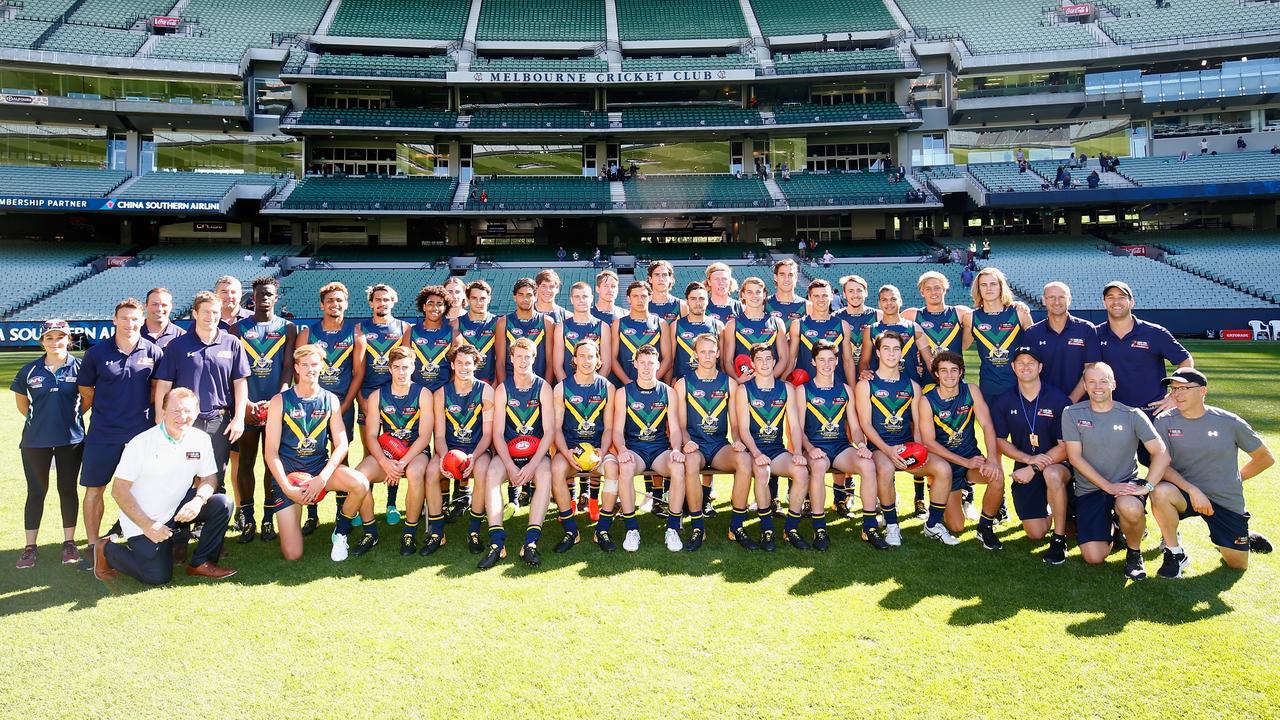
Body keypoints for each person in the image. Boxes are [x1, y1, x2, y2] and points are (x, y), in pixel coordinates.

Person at [91, 388, 235, 584]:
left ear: (197, 411)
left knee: (222, 503)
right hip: (144, 519)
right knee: (158, 577)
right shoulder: (142, 443)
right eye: (176, 411)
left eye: (188, 411)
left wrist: (198, 501)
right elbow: (119, 490)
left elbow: (209, 479)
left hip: (176, 507)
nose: (182, 417)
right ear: (164, 410)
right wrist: (147, 525)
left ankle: (201, 563)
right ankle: (107, 550)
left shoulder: (200, 439)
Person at [1150, 368, 1274, 577]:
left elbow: (1265, 458)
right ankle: (1175, 553)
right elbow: (1162, 465)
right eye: (1174, 389)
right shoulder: (1164, 421)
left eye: (1184, 389)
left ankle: (1240, 537)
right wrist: (1192, 490)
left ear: (1203, 391)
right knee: (1160, 491)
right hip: (1185, 494)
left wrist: (1235, 479)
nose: (1177, 394)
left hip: (1224, 499)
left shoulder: (1229, 422)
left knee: (1237, 564)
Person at [263, 344, 372, 561]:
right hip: (290, 475)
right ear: (296, 368)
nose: (310, 369)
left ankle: (340, 533)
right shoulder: (279, 401)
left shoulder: (330, 399)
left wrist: (321, 478)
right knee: (292, 554)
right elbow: (270, 452)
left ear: (322, 366)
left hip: (319, 470)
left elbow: (342, 444)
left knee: (360, 483)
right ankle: (293, 509)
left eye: (314, 364)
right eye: (305, 365)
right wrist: (288, 488)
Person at [1062, 363, 1170, 579]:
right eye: (1091, 381)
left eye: (1103, 381)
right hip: (1089, 490)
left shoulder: (1132, 415)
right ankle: (1116, 526)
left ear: (1113, 384)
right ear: (1084, 385)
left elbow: (1162, 454)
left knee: (1129, 507)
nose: (1097, 386)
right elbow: (1074, 457)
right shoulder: (1071, 413)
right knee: (1093, 557)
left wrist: (1146, 486)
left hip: (1124, 487)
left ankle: (1134, 553)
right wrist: (1107, 486)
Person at [77, 299, 163, 563]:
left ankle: (142, 538)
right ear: (114, 320)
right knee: (95, 489)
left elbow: (156, 390)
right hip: (103, 433)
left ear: (142, 320)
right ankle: (94, 547)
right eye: (124, 318)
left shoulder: (154, 351)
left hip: (140, 434)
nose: (130, 324)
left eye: (135, 319)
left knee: (144, 490)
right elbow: (86, 391)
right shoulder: (96, 353)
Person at [855, 330, 951, 550]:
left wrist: (921, 452)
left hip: (907, 449)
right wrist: (888, 451)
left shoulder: (913, 386)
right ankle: (892, 525)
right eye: (886, 349)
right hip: (880, 449)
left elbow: (917, 426)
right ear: (878, 352)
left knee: (943, 469)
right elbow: (866, 425)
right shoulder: (866, 385)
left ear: (902, 353)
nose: (891, 353)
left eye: (896, 349)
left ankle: (934, 524)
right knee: (886, 470)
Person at [153, 291, 248, 494]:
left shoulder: (232, 343)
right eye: (205, 312)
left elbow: (240, 383)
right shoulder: (177, 345)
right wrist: (160, 417)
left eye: (215, 312)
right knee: (182, 477)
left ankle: (211, 524)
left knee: (215, 476)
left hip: (218, 421)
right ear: (195, 314)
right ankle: (182, 524)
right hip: (184, 421)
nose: (210, 316)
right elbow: (163, 384)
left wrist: (239, 418)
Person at [229, 277, 296, 544]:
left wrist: (278, 397)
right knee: (245, 462)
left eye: (269, 294)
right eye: (260, 294)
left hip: (275, 407)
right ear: (252, 298)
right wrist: (246, 404)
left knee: (271, 463)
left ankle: (268, 519)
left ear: (276, 297)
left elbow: (288, 367)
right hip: (246, 407)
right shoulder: (237, 329)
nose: (265, 298)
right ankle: (248, 520)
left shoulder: (287, 328)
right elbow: (235, 372)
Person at [12, 320, 84, 569]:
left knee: (67, 489)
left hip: (71, 440)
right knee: (36, 492)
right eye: (50, 338)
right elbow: (23, 405)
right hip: (35, 442)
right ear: (42, 341)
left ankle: (69, 543)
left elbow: (87, 400)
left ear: (69, 339)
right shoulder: (29, 371)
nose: (56, 342)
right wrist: (42, 423)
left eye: (60, 337)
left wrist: (69, 420)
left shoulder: (81, 368)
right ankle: (30, 547)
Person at [990, 347, 1073, 563]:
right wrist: (1028, 460)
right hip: (1025, 466)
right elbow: (1000, 441)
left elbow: (1065, 447)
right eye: (1021, 362)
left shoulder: (1058, 399)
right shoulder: (1004, 400)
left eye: (1031, 362)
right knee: (1035, 533)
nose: (1026, 366)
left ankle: (1059, 538)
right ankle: (1057, 506)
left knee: (1052, 475)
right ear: (1013, 367)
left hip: (1058, 465)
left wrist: (1034, 467)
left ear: (1040, 367)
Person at [914, 352, 1005, 550]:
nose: (949, 375)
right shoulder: (927, 400)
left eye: (954, 370)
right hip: (946, 466)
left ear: (961, 372)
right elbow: (929, 442)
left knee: (996, 477)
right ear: (936, 374)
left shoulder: (971, 390)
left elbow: (988, 425)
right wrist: (965, 463)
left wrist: (991, 459)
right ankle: (948, 494)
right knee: (956, 526)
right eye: (943, 371)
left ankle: (985, 527)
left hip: (971, 458)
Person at [296, 281, 367, 530]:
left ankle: (341, 512)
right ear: (322, 305)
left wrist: (345, 405)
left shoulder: (357, 335)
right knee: (308, 459)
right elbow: (300, 372)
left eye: (339, 300)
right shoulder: (307, 334)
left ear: (346, 304)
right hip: (310, 407)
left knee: (341, 458)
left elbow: (358, 373)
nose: (334, 304)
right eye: (330, 301)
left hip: (342, 407)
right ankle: (311, 514)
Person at [480, 337, 554, 568]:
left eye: (527, 356)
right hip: (508, 453)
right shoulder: (502, 390)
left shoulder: (543, 387)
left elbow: (550, 431)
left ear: (534, 358)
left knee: (544, 475)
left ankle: (530, 543)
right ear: (511, 359)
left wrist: (531, 465)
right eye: (518, 356)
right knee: (492, 474)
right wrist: (511, 466)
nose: (523, 361)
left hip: (536, 454)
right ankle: (497, 543)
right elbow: (498, 434)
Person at [353, 346, 433, 557]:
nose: (401, 372)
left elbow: (425, 436)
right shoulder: (377, 396)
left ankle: (409, 532)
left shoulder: (423, 394)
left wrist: (402, 463)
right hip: (387, 454)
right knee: (359, 476)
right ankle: (370, 532)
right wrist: (385, 462)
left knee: (416, 474)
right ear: (389, 369)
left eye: (405, 367)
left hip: (415, 454)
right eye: (396, 367)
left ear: (413, 367)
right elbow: (370, 435)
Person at [798, 340, 876, 549]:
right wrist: (810, 448)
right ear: (813, 362)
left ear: (836, 361)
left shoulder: (845, 390)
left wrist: (860, 444)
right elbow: (798, 430)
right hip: (815, 446)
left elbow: (856, 427)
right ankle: (820, 528)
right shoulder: (803, 390)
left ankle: (869, 527)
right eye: (821, 360)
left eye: (831, 359)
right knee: (818, 466)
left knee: (868, 465)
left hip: (841, 447)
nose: (826, 364)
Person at [674, 333, 750, 551]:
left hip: (718, 446)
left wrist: (737, 441)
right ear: (695, 354)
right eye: (702, 351)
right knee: (689, 463)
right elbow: (680, 425)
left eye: (711, 351)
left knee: (744, 461)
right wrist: (686, 442)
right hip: (695, 445)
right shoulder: (683, 383)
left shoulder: (729, 383)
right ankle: (698, 526)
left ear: (718, 353)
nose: (707, 356)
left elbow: (735, 425)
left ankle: (736, 526)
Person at [608, 344, 685, 552]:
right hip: (636, 450)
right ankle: (631, 529)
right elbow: (616, 430)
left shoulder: (668, 392)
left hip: (660, 450)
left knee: (678, 468)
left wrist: (676, 449)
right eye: (642, 363)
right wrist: (622, 449)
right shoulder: (623, 393)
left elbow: (675, 429)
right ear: (635, 364)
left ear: (658, 365)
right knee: (624, 468)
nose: (646, 367)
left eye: (650, 363)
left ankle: (672, 528)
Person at [546, 339, 618, 560]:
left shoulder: (607, 387)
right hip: (570, 450)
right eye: (582, 356)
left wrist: (602, 452)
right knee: (556, 471)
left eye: (591, 356)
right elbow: (556, 428)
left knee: (613, 472)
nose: (587, 361)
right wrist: (566, 452)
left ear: (598, 360)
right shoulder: (561, 388)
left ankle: (602, 530)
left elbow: (609, 428)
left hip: (598, 449)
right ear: (574, 360)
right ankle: (571, 530)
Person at [732, 344, 806, 552]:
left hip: (776, 449)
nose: (764, 363)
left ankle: (791, 529)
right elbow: (743, 429)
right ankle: (767, 529)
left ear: (774, 362)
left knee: (800, 471)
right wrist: (756, 454)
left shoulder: (786, 389)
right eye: (760, 359)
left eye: (768, 359)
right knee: (763, 472)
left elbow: (794, 426)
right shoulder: (744, 389)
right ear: (753, 364)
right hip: (752, 449)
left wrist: (798, 452)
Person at [426, 344, 494, 556]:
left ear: (475, 365)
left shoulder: (486, 391)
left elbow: (488, 434)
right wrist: (445, 457)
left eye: (469, 363)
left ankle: (473, 530)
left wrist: (474, 456)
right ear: (453, 365)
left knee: (482, 471)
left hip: (477, 450)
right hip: (449, 449)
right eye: (460, 363)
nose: (464, 367)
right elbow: (438, 435)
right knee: (430, 473)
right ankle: (437, 532)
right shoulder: (440, 394)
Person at [1095, 280, 1192, 417]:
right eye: (1111, 297)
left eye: (1122, 297)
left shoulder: (1155, 332)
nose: (1116, 302)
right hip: (1111, 413)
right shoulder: (1095, 334)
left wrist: (1174, 395)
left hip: (1151, 412)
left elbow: (1185, 360)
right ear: (1104, 302)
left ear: (1131, 302)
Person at [359, 283, 411, 524]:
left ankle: (391, 503)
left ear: (394, 301)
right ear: (371, 303)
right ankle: (364, 501)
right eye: (377, 299)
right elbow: (356, 371)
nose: (382, 303)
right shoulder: (360, 329)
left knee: (396, 450)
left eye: (386, 299)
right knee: (370, 452)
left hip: (396, 402)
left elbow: (408, 366)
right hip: (368, 400)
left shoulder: (404, 328)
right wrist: (363, 401)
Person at [1024, 281, 1100, 401]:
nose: (1057, 302)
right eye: (1051, 297)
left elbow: (1090, 369)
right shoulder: (1032, 333)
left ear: (1069, 299)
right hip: (1044, 405)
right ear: (1043, 300)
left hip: (1079, 405)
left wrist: (1071, 400)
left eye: (1061, 297)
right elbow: (1027, 371)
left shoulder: (1086, 329)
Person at [969, 267, 1033, 401]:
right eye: (983, 285)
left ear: (1001, 287)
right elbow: (960, 347)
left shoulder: (1020, 313)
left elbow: (1035, 348)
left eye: (993, 284)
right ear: (978, 289)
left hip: (1019, 385)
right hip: (988, 387)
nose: (988, 288)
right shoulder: (970, 318)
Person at [904, 270, 973, 384]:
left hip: (955, 382)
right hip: (925, 383)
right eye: (928, 289)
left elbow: (965, 345)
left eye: (937, 287)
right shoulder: (911, 315)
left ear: (944, 289)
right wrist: (911, 364)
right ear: (922, 292)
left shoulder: (960, 313)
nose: (933, 292)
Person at [723, 277, 789, 379]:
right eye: (749, 292)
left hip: (771, 383)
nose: (754, 296)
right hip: (744, 384)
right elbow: (728, 361)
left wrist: (770, 378)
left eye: (758, 292)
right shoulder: (732, 324)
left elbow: (783, 358)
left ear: (764, 295)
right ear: (743, 295)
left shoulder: (777, 323)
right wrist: (738, 379)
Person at [612, 280, 671, 388]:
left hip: (654, 386)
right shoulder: (618, 324)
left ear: (650, 297)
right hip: (626, 386)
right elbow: (613, 358)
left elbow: (667, 359)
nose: (640, 300)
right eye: (635, 296)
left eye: (643, 296)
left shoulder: (661, 324)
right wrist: (627, 382)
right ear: (628, 299)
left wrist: (651, 381)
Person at [495, 277, 552, 386]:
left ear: (535, 297)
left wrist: (547, 386)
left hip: (539, 385)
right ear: (514, 297)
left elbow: (550, 362)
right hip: (511, 385)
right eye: (521, 295)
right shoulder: (503, 322)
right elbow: (500, 362)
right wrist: (505, 388)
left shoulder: (547, 322)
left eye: (529, 295)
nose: (525, 299)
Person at [672, 281, 726, 384]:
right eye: (693, 299)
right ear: (687, 301)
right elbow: (671, 360)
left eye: (701, 299)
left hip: (714, 384)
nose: (697, 303)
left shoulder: (718, 326)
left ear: (707, 301)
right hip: (683, 383)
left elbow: (723, 362)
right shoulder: (676, 326)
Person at [407, 284, 454, 392]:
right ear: (424, 307)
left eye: (439, 304)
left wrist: (445, 393)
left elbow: (456, 369)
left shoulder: (454, 334)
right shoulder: (410, 332)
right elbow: (405, 364)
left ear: (445, 307)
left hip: (443, 393)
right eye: (430, 304)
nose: (435, 308)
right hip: (416, 392)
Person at [836, 274, 880, 384]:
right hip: (842, 379)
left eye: (859, 290)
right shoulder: (835, 318)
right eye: (850, 291)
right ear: (844, 295)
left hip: (871, 379)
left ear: (866, 293)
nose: (855, 295)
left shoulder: (879, 316)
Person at [454, 280, 498, 386]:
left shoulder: (498, 323)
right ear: (468, 300)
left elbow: (501, 358)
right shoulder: (456, 323)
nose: (478, 303)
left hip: (490, 383)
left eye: (482, 298)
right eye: (474, 298)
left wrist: (496, 382)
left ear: (489, 299)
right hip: (463, 384)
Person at [766, 258, 809, 324]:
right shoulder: (764, 304)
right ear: (775, 277)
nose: (786, 279)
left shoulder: (808, 306)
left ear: (796, 278)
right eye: (782, 275)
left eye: (790, 275)